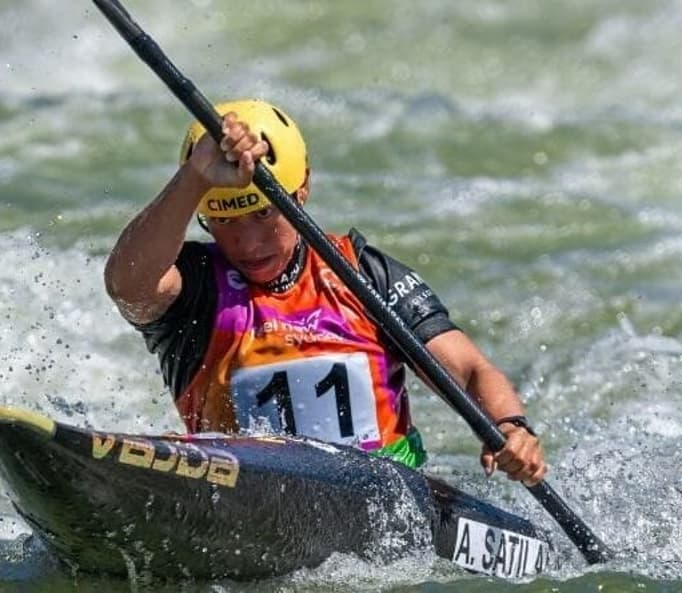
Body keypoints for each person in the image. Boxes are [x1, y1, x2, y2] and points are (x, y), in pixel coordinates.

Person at [104, 99, 546, 485]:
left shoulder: (363, 275)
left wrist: (510, 428)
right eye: (223, 221)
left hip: (386, 493)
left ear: (303, 190)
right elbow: (128, 286)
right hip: (245, 493)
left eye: (263, 215)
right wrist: (194, 180)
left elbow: (468, 370)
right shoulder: (194, 286)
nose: (247, 242)